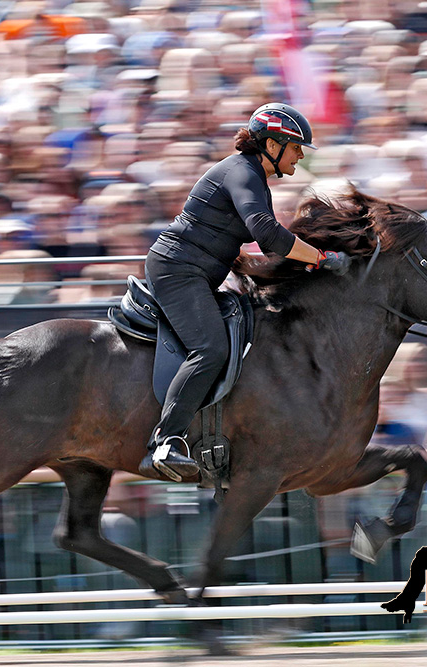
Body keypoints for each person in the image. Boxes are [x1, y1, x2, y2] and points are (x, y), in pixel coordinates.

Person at [139, 103, 352, 481]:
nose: (301, 156)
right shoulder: (244, 172)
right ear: (272, 143)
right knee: (211, 348)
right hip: (178, 271)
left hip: (193, 271)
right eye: (296, 147)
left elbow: (266, 245)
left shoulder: (252, 175)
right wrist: (321, 258)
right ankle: (166, 442)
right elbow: (268, 233)